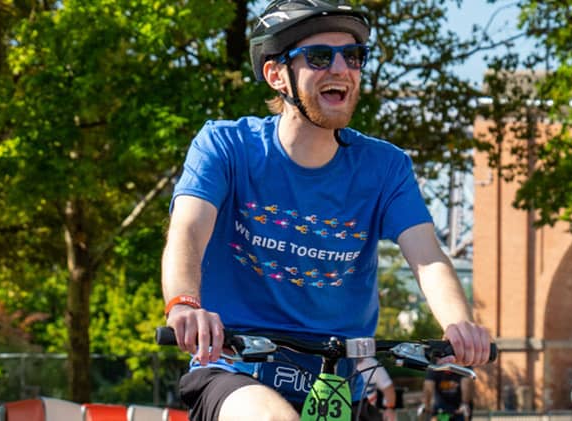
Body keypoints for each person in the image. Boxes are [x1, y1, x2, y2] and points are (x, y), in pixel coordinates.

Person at [159, 1, 492, 420]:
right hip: (236, 372)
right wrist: (184, 303)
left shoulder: (386, 168)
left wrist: (459, 324)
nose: (341, 68)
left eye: (353, 56)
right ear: (276, 75)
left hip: (340, 387)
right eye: (319, 56)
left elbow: (428, 258)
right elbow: (188, 230)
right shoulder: (225, 147)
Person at [356, 357, 397, 421]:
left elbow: (387, 387)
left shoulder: (372, 363)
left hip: (368, 411)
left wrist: (389, 408)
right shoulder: (342, 363)